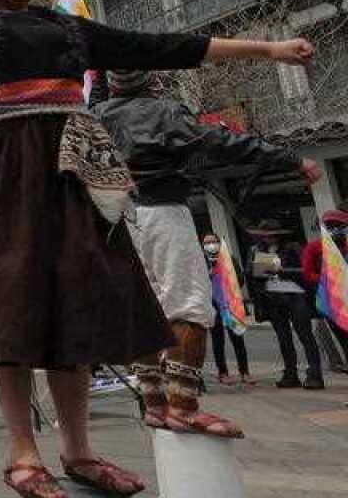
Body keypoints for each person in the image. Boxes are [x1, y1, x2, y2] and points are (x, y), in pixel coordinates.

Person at [0, 0, 315, 498]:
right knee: (7, 306)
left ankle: (79, 452)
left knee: (75, 306)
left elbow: (164, 46)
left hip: (71, 177)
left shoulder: (70, 29)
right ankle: (21, 453)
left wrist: (268, 50)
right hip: (3, 177)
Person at [93, 70, 315, 438]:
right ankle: (183, 406)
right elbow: (222, 140)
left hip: (118, 220)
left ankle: (154, 403)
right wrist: (290, 159)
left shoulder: (98, 113)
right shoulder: (163, 111)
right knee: (190, 306)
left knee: (141, 308)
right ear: (151, 78)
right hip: (163, 213)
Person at [249, 219, 323, 389]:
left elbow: (306, 270)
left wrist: (283, 270)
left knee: (305, 336)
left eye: (271, 236)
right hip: (274, 301)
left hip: (295, 297)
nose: (268, 239)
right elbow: (259, 278)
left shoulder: (293, 247)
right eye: (265, 236)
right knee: (284, 339)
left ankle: (315, 374)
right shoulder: (259, 250)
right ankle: (290, 374)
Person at [201, 234, 255, 386]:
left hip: (230, 303)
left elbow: (241, 279)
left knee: (237, 338)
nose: (211, 245)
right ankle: (222, 372)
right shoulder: (201, 262)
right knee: (218, 340)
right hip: (213, 305)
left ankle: (244, 372)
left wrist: (227, 276)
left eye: (213, 241)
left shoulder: (229, 258)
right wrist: (208, 276)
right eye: (207, 243)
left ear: (219, 243)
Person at [301, 208, 348, 371]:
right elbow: (307, 273)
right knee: (341, 336)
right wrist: (330, 281)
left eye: (340, 225)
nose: (335, 229)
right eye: (331, 225)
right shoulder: (314, 248)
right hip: (330, 301)